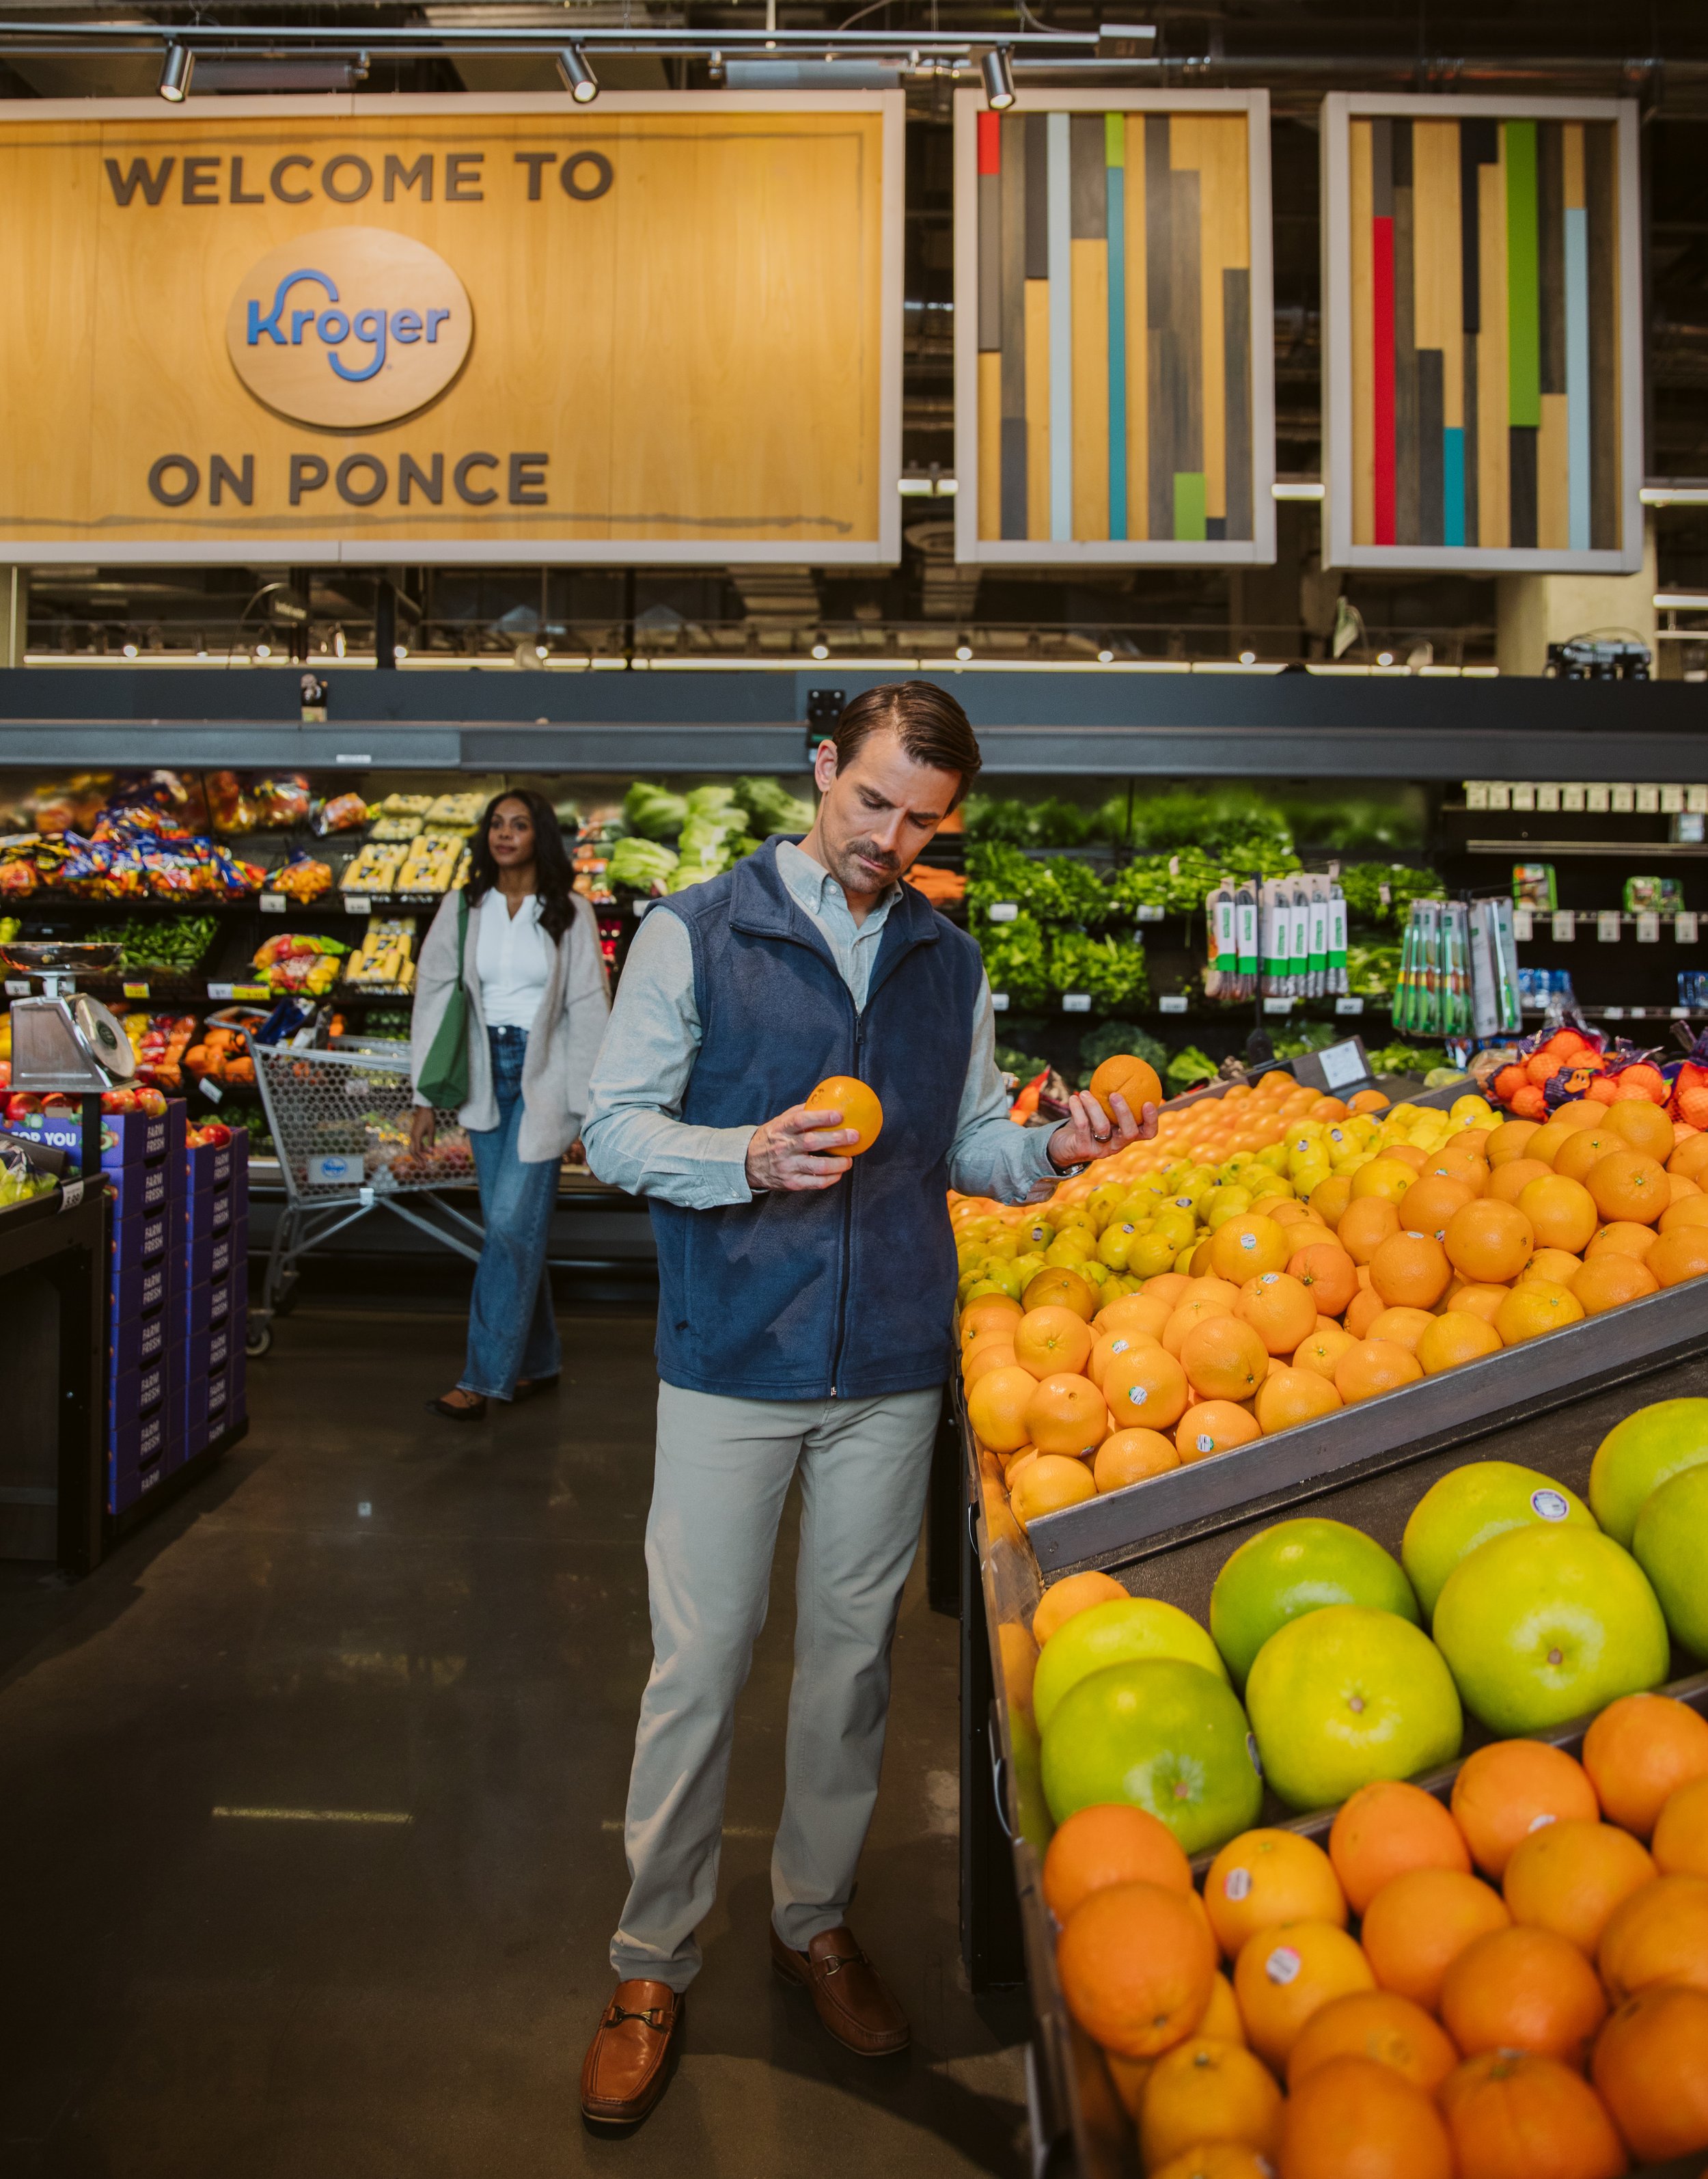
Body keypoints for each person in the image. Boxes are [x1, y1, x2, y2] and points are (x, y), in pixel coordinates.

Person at [576, 682, 1157, 2124]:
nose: (889, 839)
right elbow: (614, 1128)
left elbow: (966, 1145)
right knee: (699, 1663)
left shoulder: (947, 960)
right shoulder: (697, 930)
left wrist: (1051, 1152)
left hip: (890, 1364)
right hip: (730, 1352)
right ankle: (650, 1958)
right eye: (872, 802)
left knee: (851, 1669)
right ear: (821, 766)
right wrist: (742, 1156)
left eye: (921, 821)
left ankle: (811, 1917)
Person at [409, 789, 609, 1420]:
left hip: (543, 1076)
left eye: (518, 825)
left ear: (538, 836)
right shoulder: (462, 907)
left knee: (509, 1229)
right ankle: (539, 1360)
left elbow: (589, 1008)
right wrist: (424, 1096)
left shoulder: (570, 911)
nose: (504, 834)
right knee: (510, 1228)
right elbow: (432, 995)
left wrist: (592, 1111)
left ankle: (482, 1377)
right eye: (496, 824)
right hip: (481, 1073)